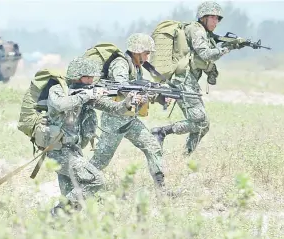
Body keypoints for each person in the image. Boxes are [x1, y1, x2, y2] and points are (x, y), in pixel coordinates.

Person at [42, 57, 145, 215]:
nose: (91, 81)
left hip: (74, 150)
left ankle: (57, 227)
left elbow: (113, 108)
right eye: (87, 77)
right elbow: (62, 104)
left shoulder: (87, 94)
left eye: (92, 78)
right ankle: (55, 215)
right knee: (96, 180)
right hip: (58, 151)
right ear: (76, 76)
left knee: (75, 196)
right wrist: (87, 94)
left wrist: (128, 102)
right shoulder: (57, 90)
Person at [151, 1, 240, 155]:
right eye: (212, 17)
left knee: (203, 125)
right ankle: (161, 132)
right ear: (203, 17)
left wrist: (236, 43)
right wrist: (227, 48)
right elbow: (205, 54)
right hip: (182, 81)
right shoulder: (196, 30)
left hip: (189, 82)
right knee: (200, 121)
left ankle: (185, 156)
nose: (215, 21)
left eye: (217, 18)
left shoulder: (204, 33)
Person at [88, 33, 166, 188]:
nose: (148, 57)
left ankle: (161, 189)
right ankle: (78, 186)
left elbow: (138, 90)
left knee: (153, 147)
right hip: (114, 121)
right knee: (100, 161)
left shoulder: (137, 67)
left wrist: (158, 96)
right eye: (146, 53)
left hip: (129, 119)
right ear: (137, 51)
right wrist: (139, 93)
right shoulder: (120, 63)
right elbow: (122, 87)